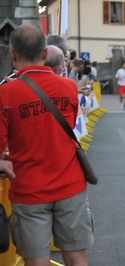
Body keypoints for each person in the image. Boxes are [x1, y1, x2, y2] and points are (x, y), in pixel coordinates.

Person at [0, 24, 93, 266]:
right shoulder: (69, 87)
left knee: (36, 261)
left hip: (28, 189)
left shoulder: (6, 95)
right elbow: (67, 127)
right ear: (44, 54)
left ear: (12, 55)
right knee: (76, 258)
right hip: (70, 184)